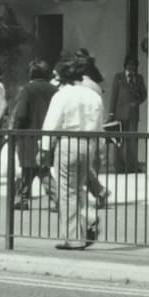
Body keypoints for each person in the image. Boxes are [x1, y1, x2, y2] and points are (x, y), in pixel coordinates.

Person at [41, 58, 107, 250]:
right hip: (89, 142)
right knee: (79, 186)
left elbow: (51, 124)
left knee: (67, 191)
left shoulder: (62, 95)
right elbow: (99, 125)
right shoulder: (94, 95)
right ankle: (90, 217)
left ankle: (72, 237)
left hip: (68, 142)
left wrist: (45, 148)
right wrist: (100, 150)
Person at [8, 59, 60, 211]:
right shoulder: (53, 90)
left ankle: (56, 199)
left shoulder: (28, 89)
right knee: (30, 168)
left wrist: (16, 130)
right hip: (46, 133)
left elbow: (22, 113)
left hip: (28, 134)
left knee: (36, 168)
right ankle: (22, 198)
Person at [107, 54, 147, 170]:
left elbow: (144, 94)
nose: (131, 67)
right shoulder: (118, 77)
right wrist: (111, 114)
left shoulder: (139, 78)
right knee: (119, 141)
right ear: (125, 65)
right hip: (119, 114)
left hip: (133, 114)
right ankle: (119, 166)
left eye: (133, 65)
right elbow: (113, 96)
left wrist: (137, 102)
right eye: (129, 64)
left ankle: (131, 166)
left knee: (132, 140)